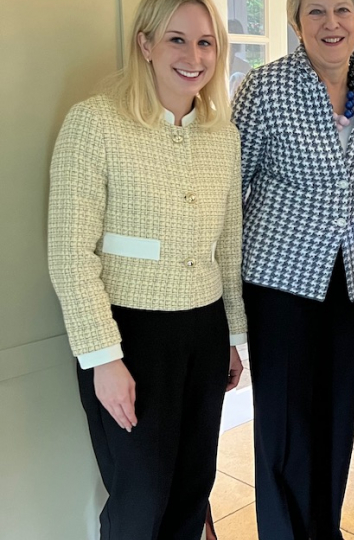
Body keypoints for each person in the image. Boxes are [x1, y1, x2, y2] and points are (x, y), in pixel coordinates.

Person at [47, 0, 246, 538]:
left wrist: (231, 336)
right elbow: (69, 252)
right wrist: (103, 359)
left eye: (205, 42)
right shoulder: (94, 123)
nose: (193, 55)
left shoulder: (222, 137)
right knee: (139, 498)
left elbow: (228, 246)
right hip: (129, 337)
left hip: (203, 332)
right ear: (146, 45)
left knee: (192, 487)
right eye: (176, 39)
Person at [231, 0, 354, 538]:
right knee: (284, 421)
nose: (331, 24)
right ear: (295, 22)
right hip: (281, 280)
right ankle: (282, 530)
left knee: (335, 414)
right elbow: (233, 188)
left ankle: (324, 527)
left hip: (352, 280)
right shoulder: (265, 87)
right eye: (315, 11)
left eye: (342, 9)